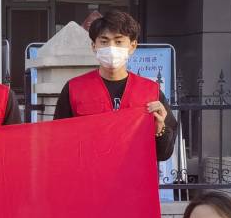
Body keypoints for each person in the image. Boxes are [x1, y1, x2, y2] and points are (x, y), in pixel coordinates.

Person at [53, 9, 177, 161]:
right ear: (94, 46)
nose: (111, 48)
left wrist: (160, 130)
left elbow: (164, 154)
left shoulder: (151, 92)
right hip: (90, 174)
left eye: (119, 41)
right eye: (104, 41)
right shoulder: (74, 89)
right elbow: (58, 142)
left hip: (135, 175)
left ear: (132, 46)